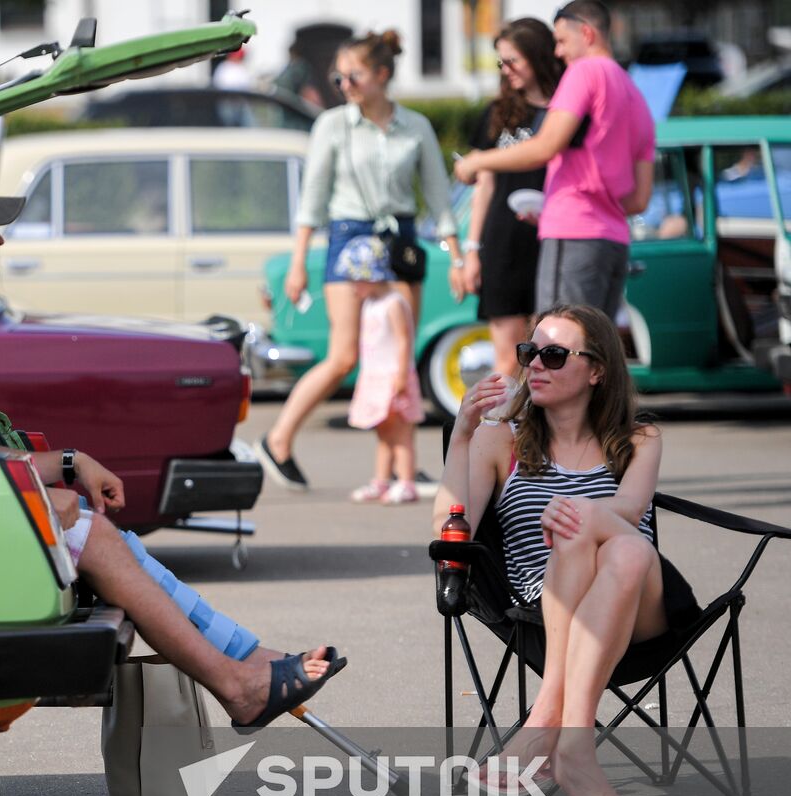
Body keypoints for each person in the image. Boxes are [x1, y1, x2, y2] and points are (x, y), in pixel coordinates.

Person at [0, 163, 344, 729]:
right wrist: (29, 495)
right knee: (95, 535)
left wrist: (70, 463)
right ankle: (237, 683)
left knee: (108, 535)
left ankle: (247, 656)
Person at [435, 304, 701, 796]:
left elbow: (626, 513)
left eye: (554, 355)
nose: (535, 364)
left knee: (615, 541)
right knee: (618, 548)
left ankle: (542, 728)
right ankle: (575, 750)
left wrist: (578, 514)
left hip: (644, 606)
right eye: (529, 352)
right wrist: (463, 434)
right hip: (544, 603)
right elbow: (447, 527)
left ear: (596, 370)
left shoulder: (638, 439)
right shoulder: (499, 439)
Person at [258, 30, 461, 491]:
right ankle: (278, 439)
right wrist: (296, 264)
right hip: (349, 238)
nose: (344, 83)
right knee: (346, 354)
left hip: (401, 241)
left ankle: (396, 469)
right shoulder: (332, 125)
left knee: (399, 359)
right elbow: (311, 201)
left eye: (353, 75)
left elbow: (438, 199)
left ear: (382, 75)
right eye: (338, 76)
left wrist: (458, 256)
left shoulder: (415, 126)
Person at [454, 1, 656, 321]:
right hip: (614, 240)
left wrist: (477, 161)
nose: (558, 53)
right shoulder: (635, 93)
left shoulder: (584, 72)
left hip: (574, 233)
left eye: (561, 41)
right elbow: (640, 200)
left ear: (587, 34)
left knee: (558, 348)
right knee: (594, 355)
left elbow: (546, 146)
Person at [461, 18, 564, 377]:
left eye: (512, 61)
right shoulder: (498, 112)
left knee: (548, 355)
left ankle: (541, 433)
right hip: (503, 241)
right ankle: (505, 432)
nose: (506, 70)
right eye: (500, 62)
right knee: (507, 360)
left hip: (550, 239)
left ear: (538, 56)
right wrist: (471, 251)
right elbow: (484, 184)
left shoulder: (565, 112)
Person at [336, 235, 424, 505]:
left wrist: (400, 374)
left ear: (370, 276)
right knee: (383, 433)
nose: (352, 287)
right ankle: (381, 480)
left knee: (400, 432)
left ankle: (407, 481)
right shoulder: (371, 303)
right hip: (376, 376)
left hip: (392, 376)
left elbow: (403, 339)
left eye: (355, 280)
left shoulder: (394, 303)